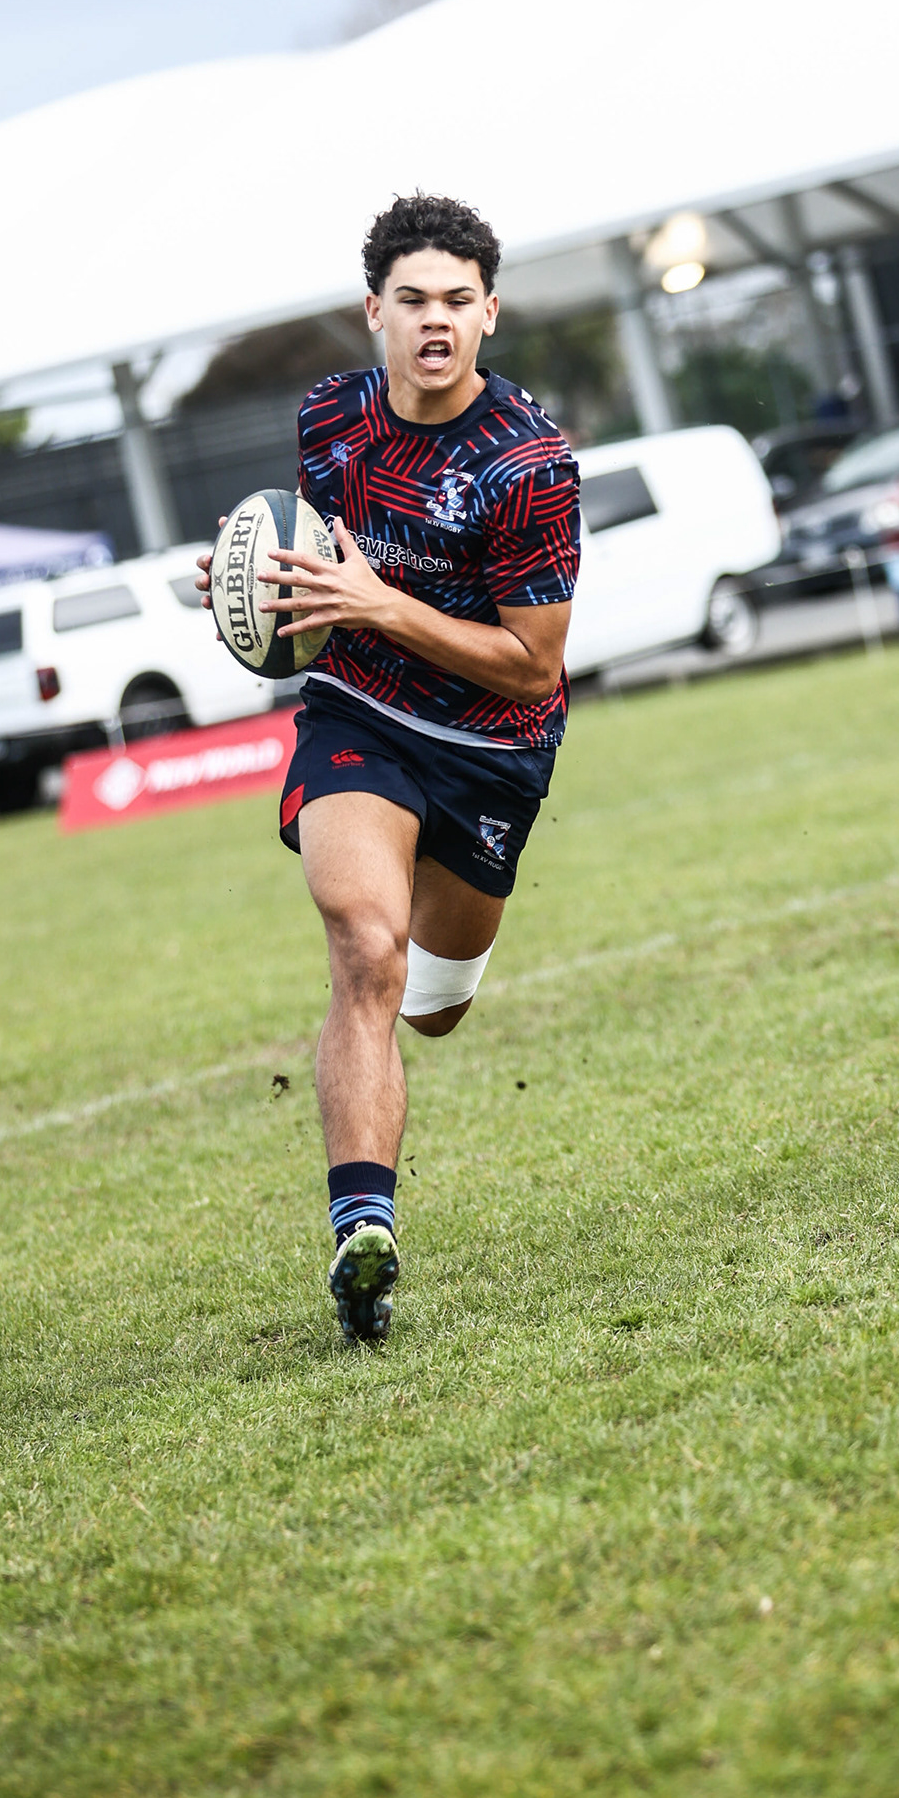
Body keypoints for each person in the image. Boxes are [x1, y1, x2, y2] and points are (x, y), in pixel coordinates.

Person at [198, 193, 580, 1342]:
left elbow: (532, 665)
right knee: (366, 949)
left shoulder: (530, 464)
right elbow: (317, 563)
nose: (435, 320)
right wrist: (254, 584)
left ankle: (422, 977)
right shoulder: (329, 416)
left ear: (490, 313)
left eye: (458, 300)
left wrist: (379, 603)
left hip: (493, 750)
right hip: (357, 710)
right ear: (374, 311)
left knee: (435, 1007)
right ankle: (363, 1231)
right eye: (412, 299)